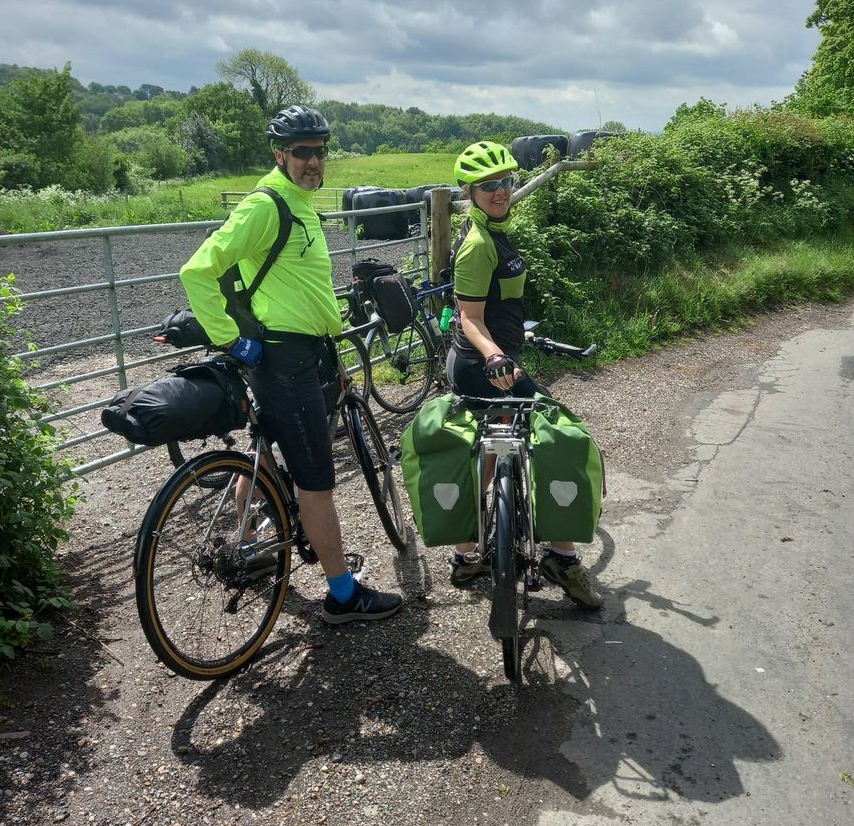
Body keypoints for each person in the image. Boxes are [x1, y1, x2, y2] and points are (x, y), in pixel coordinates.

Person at [179, 105, 403, 625]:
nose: (313, 161)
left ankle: (253, 546)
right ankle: (343, 595)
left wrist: (332, 352)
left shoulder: (301, 203)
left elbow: (305, 287)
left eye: (320, 151)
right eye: (302, 152)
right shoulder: (268, 206)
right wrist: (231, 340)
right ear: (279, 154)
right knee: (316, 482)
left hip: (305, 353)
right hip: (284, 359)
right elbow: (197, 271)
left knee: (270, 450)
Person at [445, 140, 602, 608]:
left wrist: (520, 335)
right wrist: (496, 354)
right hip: (486, 366)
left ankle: (466, 556)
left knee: (489, 454)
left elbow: (494, 304)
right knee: (560, 436)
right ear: (469, 192)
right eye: (488, 185)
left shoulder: (492, 232)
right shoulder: (478, 245)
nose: (500, 191)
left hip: (494, 357)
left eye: (506, 181)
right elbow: (470, 317)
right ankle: (562, 558)